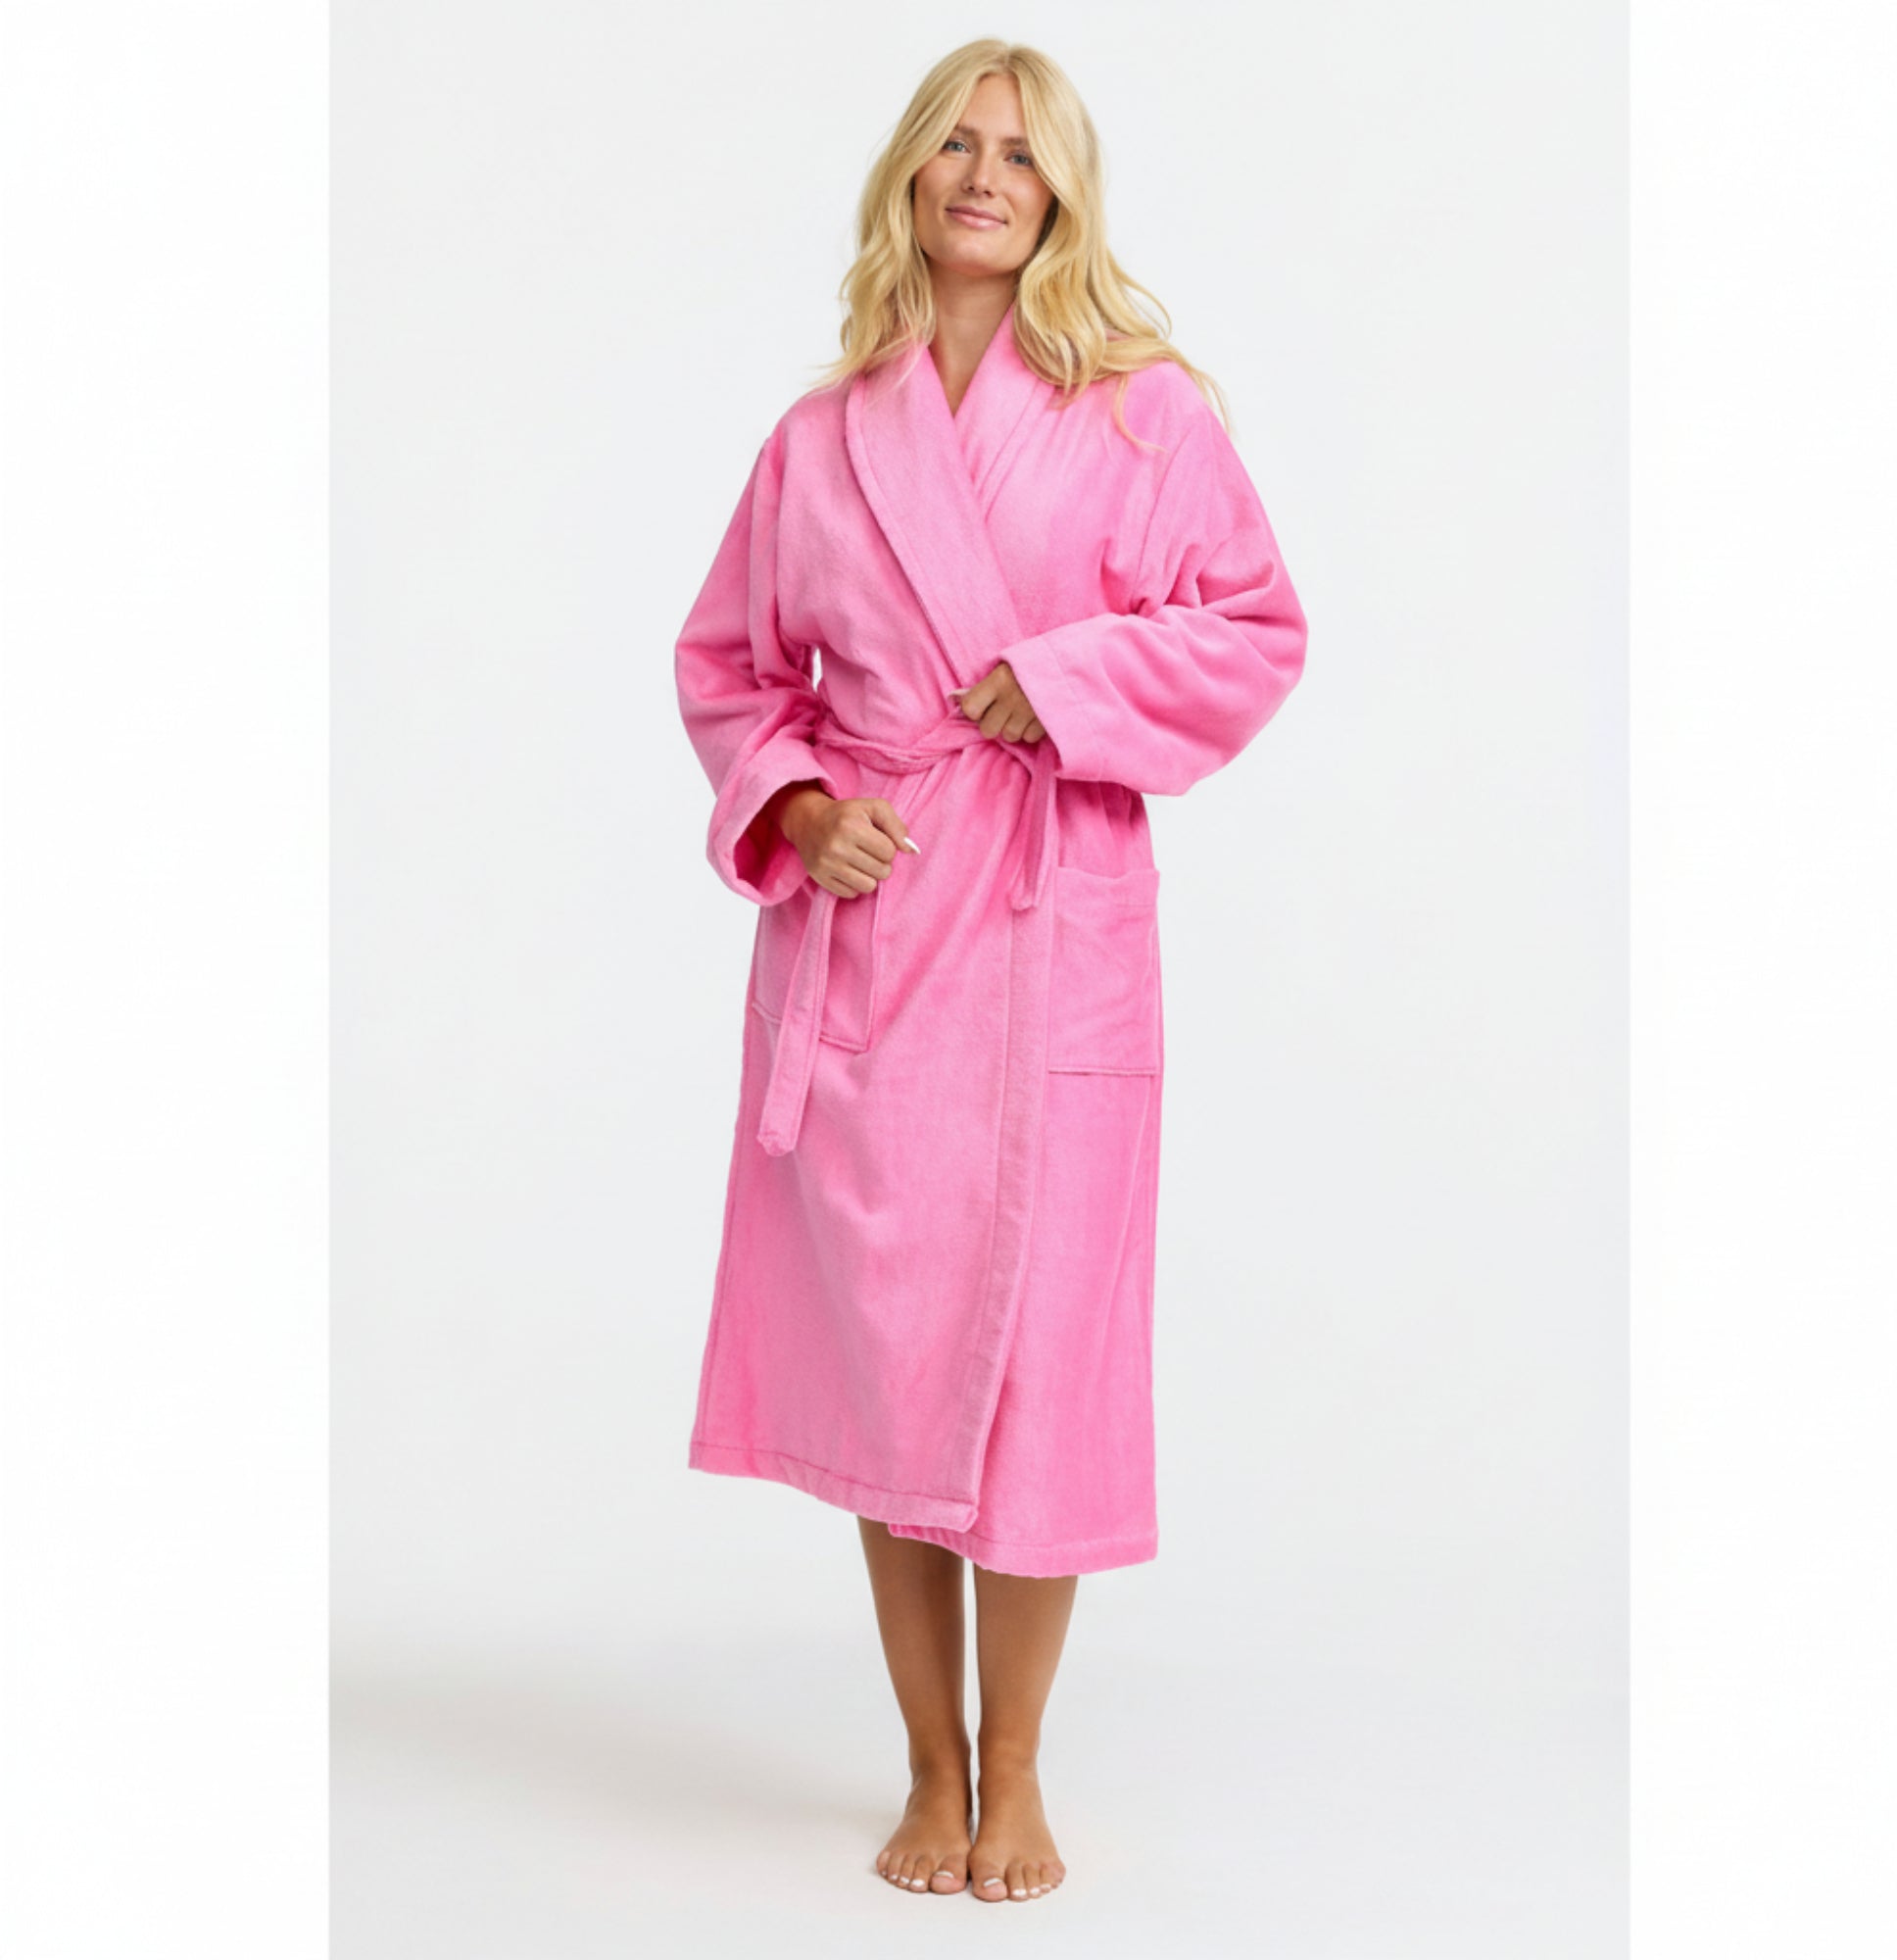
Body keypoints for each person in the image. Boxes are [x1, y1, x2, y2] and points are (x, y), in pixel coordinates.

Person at [673, 38, 1308, 1903]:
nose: (982, 174)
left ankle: (1018, 1770)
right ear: (911, 174)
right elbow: (730, 668)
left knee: (1043, 1372)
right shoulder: (821, 439)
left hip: (1054, 932)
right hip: (880, 953)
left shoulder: (1144, 413)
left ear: (1060, 196)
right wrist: (801, 812)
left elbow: (1257, 628)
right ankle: (928, 1767)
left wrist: (1074, 680)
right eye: (955, 142)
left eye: (1020, 155)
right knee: (893, 1361)